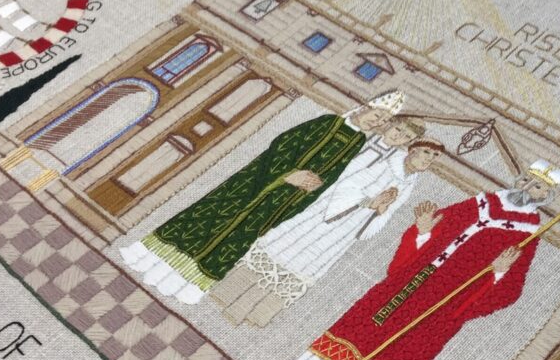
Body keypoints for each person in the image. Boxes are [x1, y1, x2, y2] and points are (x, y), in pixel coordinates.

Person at [267, 160, 560, 360]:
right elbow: (435, 228)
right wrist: (424, 230)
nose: (527, 188)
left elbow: (510, 291)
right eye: (527, 180)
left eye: (538, 187)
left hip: (442, 305)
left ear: (546, 197)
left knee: (400, 352)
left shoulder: (527, 233)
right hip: (409, 281)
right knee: (363, 326)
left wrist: (499, 272)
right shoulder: (481, 203)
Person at [120, 91, 404, 304]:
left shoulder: (357, 141)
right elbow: (284, 144)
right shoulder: (328, 122)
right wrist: (288, 174)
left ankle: (185, 285)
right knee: (210, 216)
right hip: (259, 181)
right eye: (377, 114)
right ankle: (146, 260)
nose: (377, 121)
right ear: (366, 107)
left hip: (283, 199)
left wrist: (311, 188)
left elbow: (332, 173)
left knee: (239, 237)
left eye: (382, 121)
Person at [214, 132, 446, 327]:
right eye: (427, 152)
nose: (429, 159)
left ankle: (256, 317)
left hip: (343, 234)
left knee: (305, 267)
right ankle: (226, 298)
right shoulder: (385, 163)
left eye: (435, 156)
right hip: (322, 218)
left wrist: (380, 211)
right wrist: (368, 202)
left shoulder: (409, 184)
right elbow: (347, 184)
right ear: (412, 150)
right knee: (282, 250)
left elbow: (385, 215)